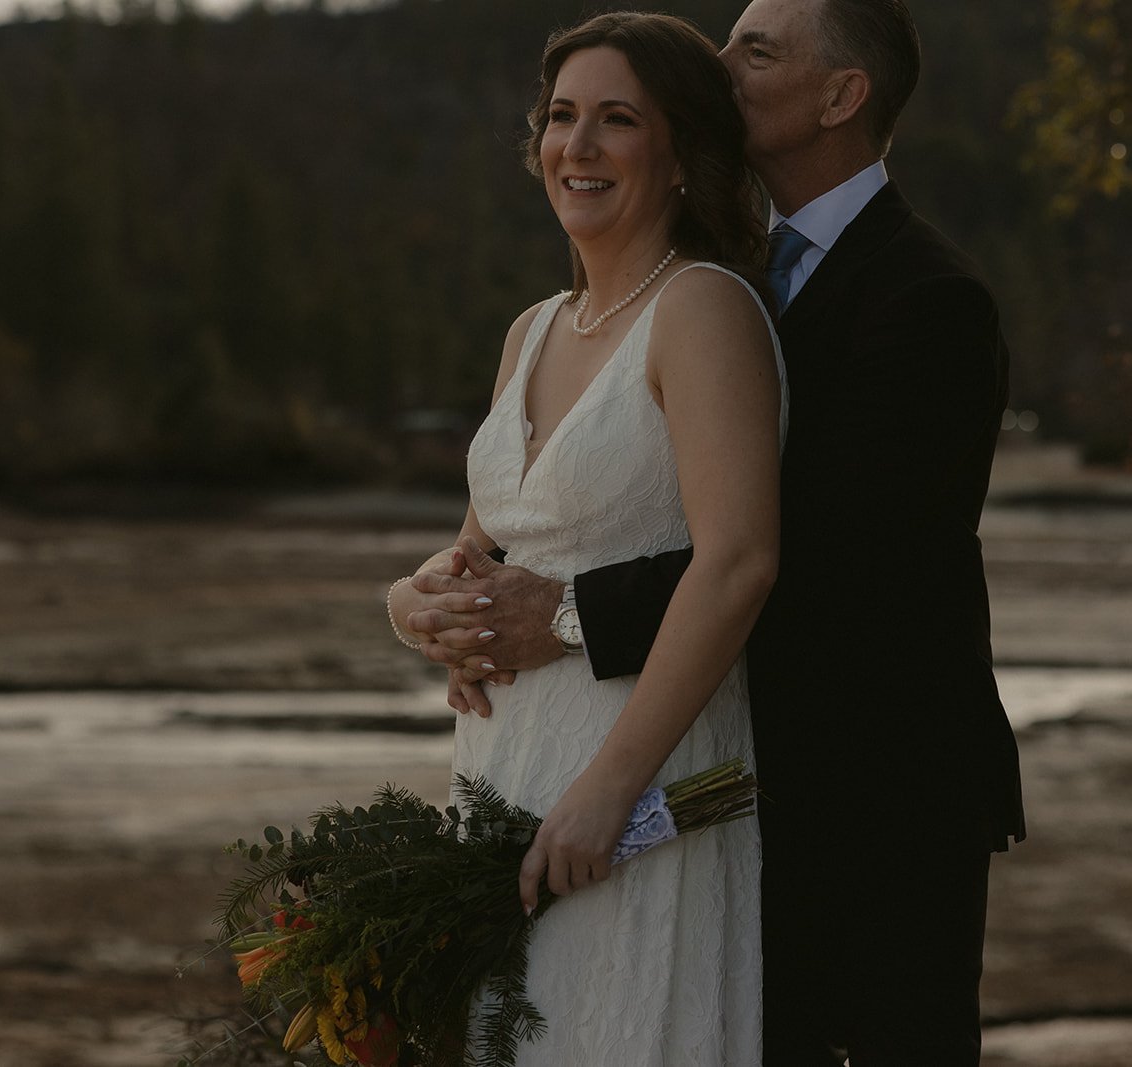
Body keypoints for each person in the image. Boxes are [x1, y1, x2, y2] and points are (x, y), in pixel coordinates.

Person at [402, 2, 1027, 1064]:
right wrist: (426, 602)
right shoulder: (708, 278)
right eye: (559, 117)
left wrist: (562, 617)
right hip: (703, 775)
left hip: (872, 794)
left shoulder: (927, 300)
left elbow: (829, 560)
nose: (720, 61)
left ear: (841, 96)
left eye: (756, 48)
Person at [385, 11, 784, 1066]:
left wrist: (613, 786)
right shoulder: (534, 327)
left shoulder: (703, 310)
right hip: (501, 766)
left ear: (682, 154)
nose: (580, 145)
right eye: (563, 117)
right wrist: (412, 600)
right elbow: (482, 548)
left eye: (618, 120)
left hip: (639, 779)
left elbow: (738, 560)